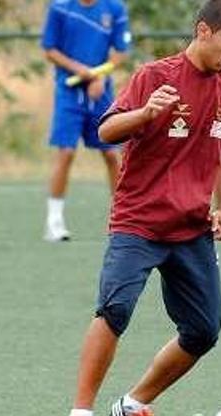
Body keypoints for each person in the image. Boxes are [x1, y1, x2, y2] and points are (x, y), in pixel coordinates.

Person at [62, 0, 221, 416]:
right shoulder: (154, 76)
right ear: (203, 31)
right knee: (114, 310)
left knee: (204, 331)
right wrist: (145, 113)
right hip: (139, 221)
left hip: (191, 229)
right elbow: (107, 131)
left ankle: (133, 405)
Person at [41, 0, 132, 242]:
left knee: (112, 155)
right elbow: (49, 49)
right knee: (66, 153)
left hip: (101, 92)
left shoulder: (114, 9)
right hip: (68, 92)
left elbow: (121, 52)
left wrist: (99, 76)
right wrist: (78, 69)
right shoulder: (60, 7)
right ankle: (54, 222)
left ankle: (122, 220)